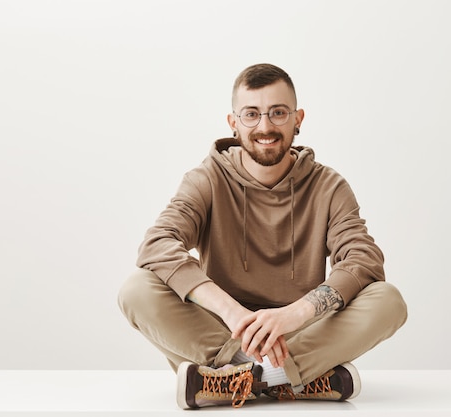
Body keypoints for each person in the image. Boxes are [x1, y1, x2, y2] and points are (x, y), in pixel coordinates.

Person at [118, 63, 407, 409]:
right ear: (233, 123)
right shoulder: (207, 179)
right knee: (136, 290)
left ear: (298, 119)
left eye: (278, 113)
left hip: (301, 337)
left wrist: (293, 314)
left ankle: (231, 382)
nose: (265, 127)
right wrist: (235, 314)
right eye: (252, 114)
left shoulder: (329, 186)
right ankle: (283, 379)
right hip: (221, 335)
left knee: (387, 300)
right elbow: (158, 244)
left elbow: (364, 261)